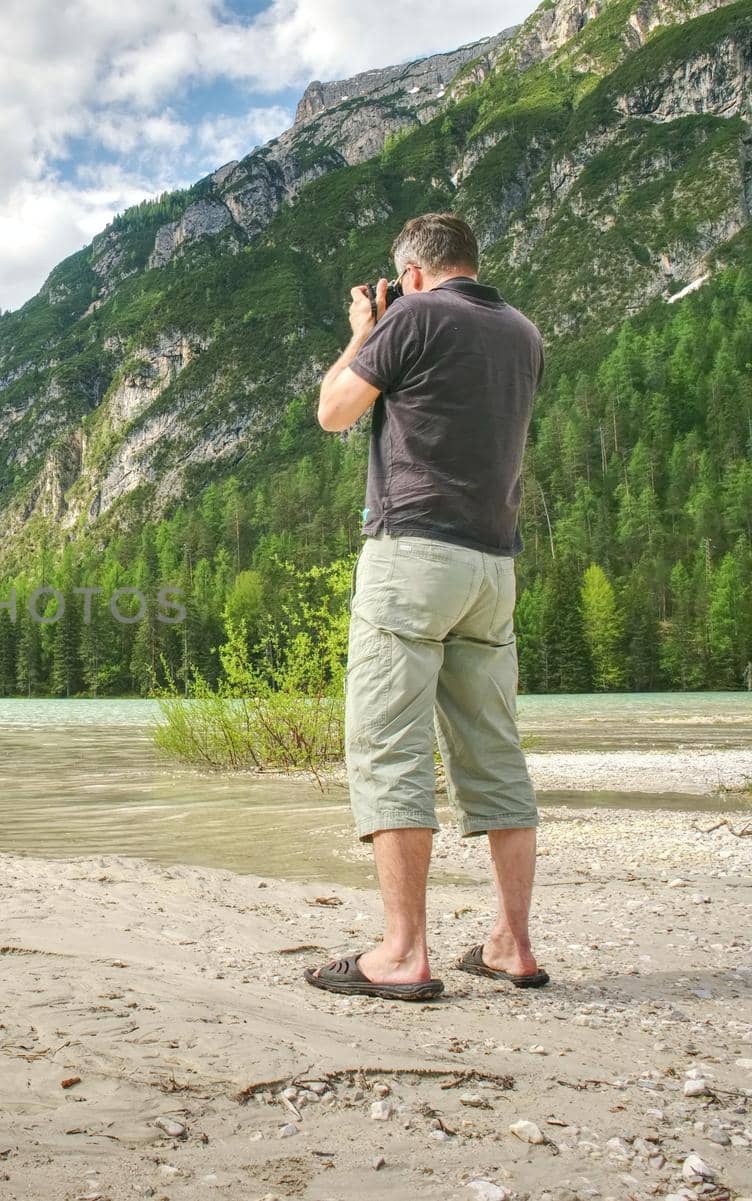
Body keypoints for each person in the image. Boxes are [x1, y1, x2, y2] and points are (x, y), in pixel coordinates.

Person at [305, 212, 550, 1002]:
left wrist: (360, 332)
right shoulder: (524, 332)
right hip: (493, 565)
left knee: (389, 744)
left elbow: (334, 410)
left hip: (413, 553)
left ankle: (403, 951)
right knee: (493, 750)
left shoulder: (411, 314)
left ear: (411, 272)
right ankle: (513, 942)